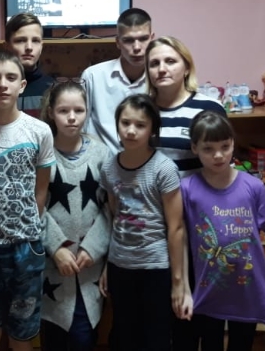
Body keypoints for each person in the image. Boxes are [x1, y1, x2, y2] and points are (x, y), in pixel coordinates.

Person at [178, 110, 265, 351]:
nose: (218, 155)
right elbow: (181, 241)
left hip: (248, 291)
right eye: (208, 149)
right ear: (194, 148)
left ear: (233, 143)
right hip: (209, 293)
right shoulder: (187, 190)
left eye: (225, 146)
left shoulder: (254, 187)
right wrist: (183, 289)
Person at [0, 51, 56, 351]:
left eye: (11, 77)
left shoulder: (39, 131)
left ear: (22, 85)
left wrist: (27, 231)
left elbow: (41, 190)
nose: (3, 84)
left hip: (25, 248)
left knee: (23, 330)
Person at [98, 94, 186, 351]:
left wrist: (178, 281)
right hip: (120, 265)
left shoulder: (164, 168)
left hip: (155, 267)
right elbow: (114, 218)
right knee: (123, 335)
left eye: (140, 125)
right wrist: (107, 266)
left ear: (152, 130)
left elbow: (176, 228)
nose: (131, 130)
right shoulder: (109, 167)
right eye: (125, 123)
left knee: (155, 337)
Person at [39, 78, 110, 351]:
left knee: (84, 337)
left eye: (78, 110)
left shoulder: (102, 154)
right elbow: (34, 206)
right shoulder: (40, 154)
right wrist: (56, 248)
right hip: (51, 269)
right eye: (63, 111)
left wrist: (93, 247)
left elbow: (110, 209)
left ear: (87, 112)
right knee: (54, 337)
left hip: (89, 268)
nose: (71, 117)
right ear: (51, 112)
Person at [145, 36, 226, 178]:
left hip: (196, 191)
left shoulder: (210, 108)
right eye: (154, 63)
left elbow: (223, 163)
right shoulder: (141, 109)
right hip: (149, 192)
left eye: (170, 61)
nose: (161, 69)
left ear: (187, 68)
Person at [81, 8, 154, 154]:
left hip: (146, 162)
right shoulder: (93, 76)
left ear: (152, 39)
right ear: (118, 42)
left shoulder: (158, 78)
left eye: (143, 39)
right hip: (100, 163)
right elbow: (81, 125)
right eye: (128, 40)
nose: (137, 47)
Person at [5, 13, 54, 118]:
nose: (29, 47)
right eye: (21, 40)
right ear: (7, 46)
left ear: (41, 47)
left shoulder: (52, 89)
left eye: (35, 41)